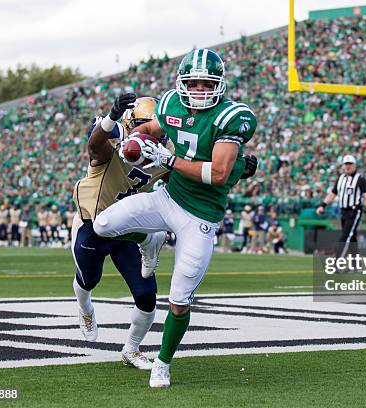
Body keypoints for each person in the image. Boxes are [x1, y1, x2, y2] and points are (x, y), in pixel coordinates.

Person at [92, 48, 258, 388]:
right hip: (167, 198)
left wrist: (167, 160)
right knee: (102, 225)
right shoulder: (170, 104)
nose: (198, 90)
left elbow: (220, 173)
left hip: (200, 217)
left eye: (205, 83)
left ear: (219, 85)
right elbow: (150, 128)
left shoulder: (232, 117)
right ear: (182, 83)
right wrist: (134, 143)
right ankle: (149, 240)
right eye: (192, 83)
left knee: (179, 301)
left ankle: (163, 362)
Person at [71, 96, 169, 370]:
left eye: (158, 128)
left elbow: (185, 180)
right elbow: (94, 145)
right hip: (93, 225)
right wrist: (111, 116)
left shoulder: (166, 154)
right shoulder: (112, 147)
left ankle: (131, 349)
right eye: (144, 127)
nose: (155, 136)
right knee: (89, 280)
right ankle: (85, 307)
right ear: (129, 125)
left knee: (147, 296)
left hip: (127, 229)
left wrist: (235, 168)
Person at [316, 155, 366, 258]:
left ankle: (338, 262)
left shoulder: (360, 179)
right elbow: (333, 194)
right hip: (343, 211)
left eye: (350, 164)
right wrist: (322, 205)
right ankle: (355, 265)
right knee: (351, 238)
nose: (348, 166)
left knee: (346, 236)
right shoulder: (341, 178)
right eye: (346, 164)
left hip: (354, 210)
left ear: (355, 165)